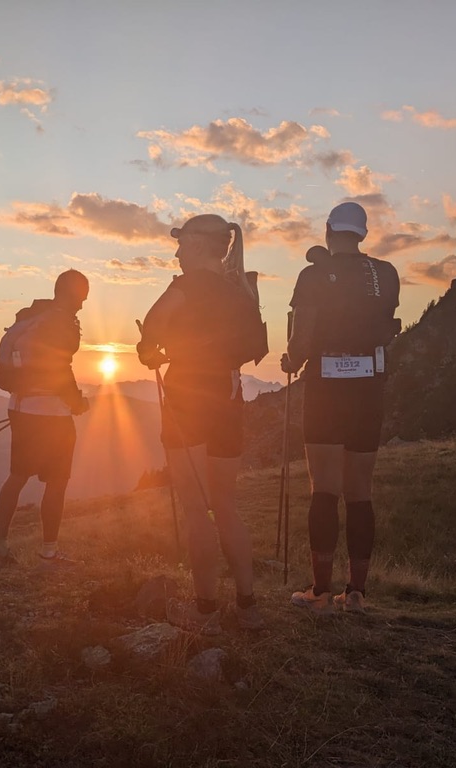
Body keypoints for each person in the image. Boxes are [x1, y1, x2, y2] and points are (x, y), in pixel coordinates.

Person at [136, 214, 265, 633]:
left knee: (196, 509)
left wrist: (150, 350)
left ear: (198, 245)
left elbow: (152, 327)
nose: (176, 252)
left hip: (188, 398)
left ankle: (206, 611)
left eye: (181, 244)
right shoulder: (241, 292)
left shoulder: (186, 286)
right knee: (225, 506)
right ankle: (247, 606)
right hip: (229, 397)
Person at [280, 202, 401, 615]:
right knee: (360, 492)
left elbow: (304, 333)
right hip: (369, 386)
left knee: (325, 489)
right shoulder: (385, 273)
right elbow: (386, 323)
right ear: (362, 233)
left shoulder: (312, 276)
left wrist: (292, 361)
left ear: (329, 229)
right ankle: (356, 594)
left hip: (327, 387)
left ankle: (319, 591)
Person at [0, 269, 91, 570]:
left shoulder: (32, 318)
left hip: (20, 407)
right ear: (70, 294)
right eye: (81, 298)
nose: (82, 305)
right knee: (57, 483)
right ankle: (48, 554)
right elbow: (59, 369)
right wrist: (77, 402)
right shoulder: (60, 322)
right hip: (52, 414)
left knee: (17, 476)